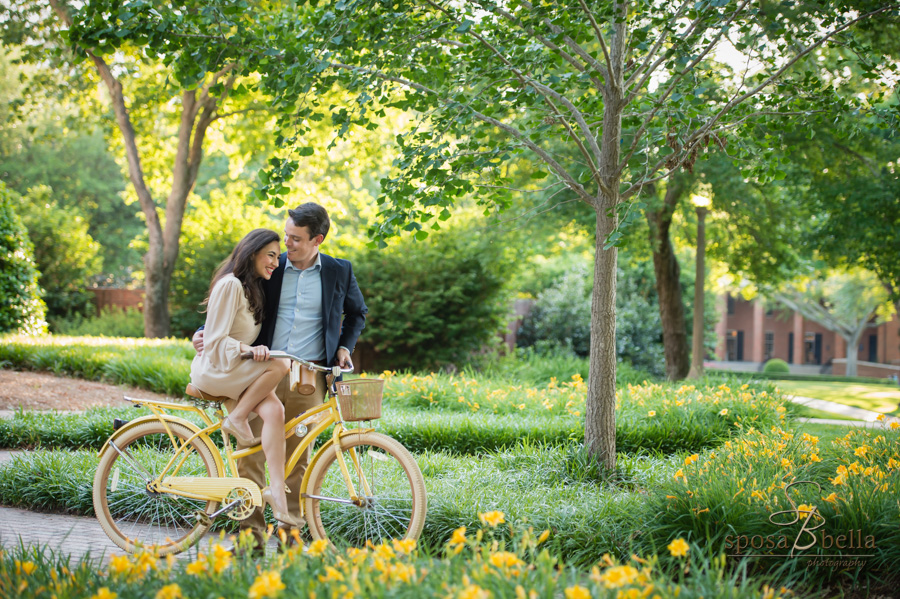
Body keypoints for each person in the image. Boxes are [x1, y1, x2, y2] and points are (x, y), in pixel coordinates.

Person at [193, 203, 368, 554]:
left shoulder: (339, 271)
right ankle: (250, 538)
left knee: (298, 459)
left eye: (296, 239)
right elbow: (235, 301)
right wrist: (202, 331)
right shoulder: (271, 266)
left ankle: (290, 536)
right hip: (261, 371)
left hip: (309, 377)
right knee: (250, 453)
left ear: (317, 239)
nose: (287, 244)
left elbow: (357, 313)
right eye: (286, 236)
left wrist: (345, 348)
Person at [190, 228, 300, 528]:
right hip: (215, 369)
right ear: (252, 253)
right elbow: (213, 341)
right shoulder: (230, 285)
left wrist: (250, 351)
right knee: (280, 364)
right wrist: (250, 351)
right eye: (271, 255)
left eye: (278, 257)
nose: (276, 263)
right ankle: (236, 417)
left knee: (275, 411)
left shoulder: (252, 289)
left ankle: (276, 491)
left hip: (233, 368)